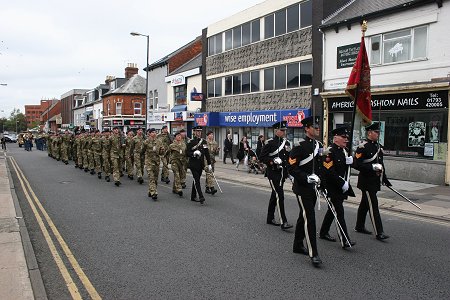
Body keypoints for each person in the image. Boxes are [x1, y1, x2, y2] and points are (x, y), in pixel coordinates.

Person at [288, 116, 323, 267]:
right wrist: (307, 178)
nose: (317, 129)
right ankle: (313, 253)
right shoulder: (299, 146)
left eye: (318, 126)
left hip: (313, 187)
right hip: (302, 188)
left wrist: (322, 184)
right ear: (307, 129)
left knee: (303, 217)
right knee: (310, 217)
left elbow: (321, 167)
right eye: (314, 127)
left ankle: (297, 244)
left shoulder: (319, 145)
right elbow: (292, 168)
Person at [319, 127, 356, 249]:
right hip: (332, 188)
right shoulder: (328, 152)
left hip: (340, 188)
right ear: (335, 138)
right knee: (339, 212)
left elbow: (343, 168)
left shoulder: (344, 151)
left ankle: (323, 232)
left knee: (332, 211)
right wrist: (342, 183)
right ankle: (345, 239)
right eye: (343, 137)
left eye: (347, 138)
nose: (346, 140)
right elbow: (329, 171)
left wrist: (351, 162)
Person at [354, 122, 391, 241]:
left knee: (364, 204)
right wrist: (371, 167)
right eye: (376, 132)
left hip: (375, 181)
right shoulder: (362, 147)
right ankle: (379, 232)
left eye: (379, 132)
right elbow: (356, 164)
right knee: (373, 205)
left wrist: (385, 179)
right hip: (366, 182)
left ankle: (359, 226)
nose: (378, 134)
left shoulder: (378, 147)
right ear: (369, 133)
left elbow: (381, 164)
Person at [260, 120, 293, 231]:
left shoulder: (286, 143)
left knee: (275, 195)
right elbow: (262, 157)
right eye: (281, 130)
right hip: (273, 173)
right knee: (280, 195)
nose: (283, 132)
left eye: (284, 130)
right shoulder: (270, 143)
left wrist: (290, 172)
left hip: (282, 174)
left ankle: (270, 217)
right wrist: (272, 161)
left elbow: (289, 158)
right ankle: (284, 221)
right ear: (275, 131)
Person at [186, 126, 212, 205]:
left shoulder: (203, 141)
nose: (199, 133)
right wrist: (193, 154)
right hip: (193, 164)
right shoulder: (191, 142)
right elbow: (187, 153)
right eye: (197, 131)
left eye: (200, 131)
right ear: (194, 132)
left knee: (196, 180)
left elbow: (207, 154)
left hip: (201, 165)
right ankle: (201, 196)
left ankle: (193, 196)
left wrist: (209, 163)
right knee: (197, 180)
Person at [142, 128, 164, 200]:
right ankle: (154, 192)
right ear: (149, 134)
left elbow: (161, 153)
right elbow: (142, 150)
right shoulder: (146, 142)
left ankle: (150, 190)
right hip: (149, 161)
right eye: (153, 132)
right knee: (151, 177)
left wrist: (162, 150)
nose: (154, 133)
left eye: (155, 132)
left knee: (155, 178)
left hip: (156, 161)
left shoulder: (159, 142)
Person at [169, 131, 186, 197]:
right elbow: (167, 152)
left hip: (181, 162)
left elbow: (185, 152)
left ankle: (174, 188)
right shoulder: (172, 145)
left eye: (180, 135)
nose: (179, 136)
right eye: (177, 136)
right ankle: (179, 189)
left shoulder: (183, 144)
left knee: (181, 175)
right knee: (177, 174)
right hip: (174, 161)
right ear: (175, 137)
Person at [205, 131, 219, 195]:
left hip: (212, 160)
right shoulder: (205, 142)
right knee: (209, 173)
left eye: (212, 135)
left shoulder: (215, 143)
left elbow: (216, 153)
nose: (212, 136)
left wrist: (217, 150)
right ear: (208, 136)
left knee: (211, 173)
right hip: (206, 160)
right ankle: (212, 187)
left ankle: (207, 187)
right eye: (210, 135)